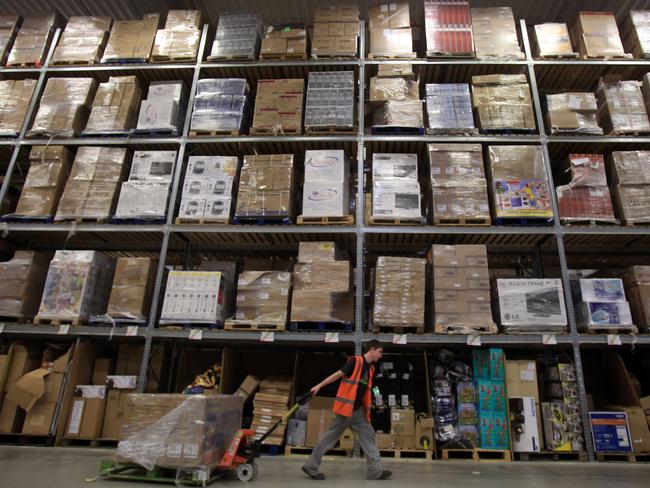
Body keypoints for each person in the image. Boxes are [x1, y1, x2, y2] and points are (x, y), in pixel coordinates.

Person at [301, 340, 392, 481]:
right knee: (329, 439)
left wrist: (378, 396)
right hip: (345, 411)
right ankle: (311, 466)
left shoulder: (371, 369)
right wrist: (318, 386)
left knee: (369, 438)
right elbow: (337, 375)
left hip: (359, 413)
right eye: (380, 352)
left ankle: (375, 472)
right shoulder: (356, 361)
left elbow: (369, 388)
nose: (380, 356)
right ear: (372, 349)